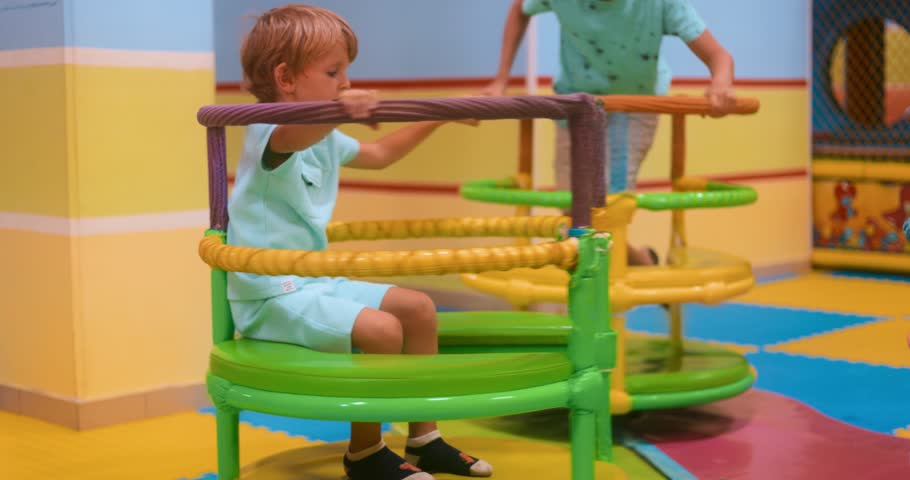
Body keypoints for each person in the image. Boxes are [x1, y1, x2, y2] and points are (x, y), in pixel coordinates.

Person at [228, 5, 491, 479]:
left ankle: (424, 438)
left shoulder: (323, 133)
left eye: (346, 71)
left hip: (314, 282)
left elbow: (380, 154)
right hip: (270, 296)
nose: (346, 82)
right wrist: (339, 111)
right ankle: (364, 453)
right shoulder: (267, 128)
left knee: (419, 309)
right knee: (382, 330)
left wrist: (440, 113)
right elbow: (295, 135)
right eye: (333, 72)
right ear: (286, 78)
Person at [483, 0, 737, 266]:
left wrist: (721, 82)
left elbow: (719, 56)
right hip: (577, 107)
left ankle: (612, 298)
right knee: (574, 213)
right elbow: (519, 9)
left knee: (609, 208)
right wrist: (501, 79)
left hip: (633, 106)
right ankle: (642, 262)